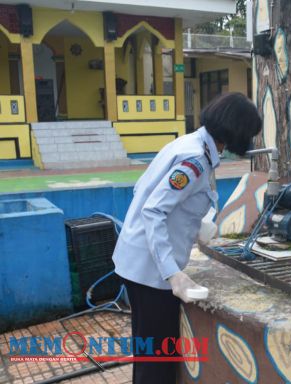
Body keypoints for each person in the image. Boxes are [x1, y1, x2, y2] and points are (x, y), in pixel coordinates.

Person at [112, 92, 262, 384]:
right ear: (237, 132)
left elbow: (145, 190)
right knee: (158, 362)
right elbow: (153, 210)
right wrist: (172, 274)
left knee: (149, 355)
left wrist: (197, 227)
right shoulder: (195, 160)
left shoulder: (190, 144)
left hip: (141, 263)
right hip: (152, 273)